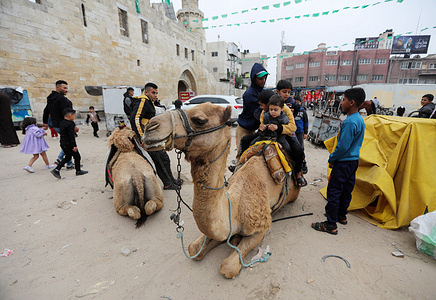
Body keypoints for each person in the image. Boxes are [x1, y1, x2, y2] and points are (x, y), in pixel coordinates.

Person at [311, 87, 366, 235]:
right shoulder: (359, 120)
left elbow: (343, 147)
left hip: (343, 162)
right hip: (353, 161)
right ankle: (341, 215)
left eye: (343, 100)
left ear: (352, 102)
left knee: (334, 191)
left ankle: (330, 224)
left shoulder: (350, 122)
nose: (341, 103)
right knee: (346, 190)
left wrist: (332, 157)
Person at [130, 82, 182, 190]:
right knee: (160, 159)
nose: (155, 95)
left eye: (156, 93)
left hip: (152, 136)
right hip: (147, 138)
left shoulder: (149, 102)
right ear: (146, 92)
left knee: (164, 159)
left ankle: (171, 180)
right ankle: (168, 183)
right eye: (153, 93)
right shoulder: (143, 101)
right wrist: (142, 138)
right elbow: (135, 119)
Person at [236, 63, 268, 158]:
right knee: (242, 155)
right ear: (254, 78)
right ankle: (237, 170)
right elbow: (258, 113)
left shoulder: (263, 91)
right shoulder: (249, 94)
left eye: (264, 78)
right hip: (244, 129)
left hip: (255, 129)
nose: (263, 81)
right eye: (260, 79)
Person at [42, 80, 74, 169]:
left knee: (67, 142)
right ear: (57, 87)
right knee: (69, 143)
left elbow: (46, 110)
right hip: (63, 125)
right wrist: (72, 125)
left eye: (67, 88)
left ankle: (68, 163)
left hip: (55, 125)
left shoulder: (51, 98)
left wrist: (45, 122)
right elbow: (68, 114)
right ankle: (62, 160)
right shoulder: (62, 99)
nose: (66, 90)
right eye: (64, 88)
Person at [50, 108, 88, 179]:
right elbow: (71, 136)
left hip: (63, 143)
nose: (75, 117)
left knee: (68, 157)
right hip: (69, 144)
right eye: (74, 116)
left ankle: (57, 169)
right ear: (70, 115)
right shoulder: (69, 124)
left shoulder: (62, 122)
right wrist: (74, 146)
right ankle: (77, 171)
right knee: (77, 156)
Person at [294, 96, 309, 174]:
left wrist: (305, 133)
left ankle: (303, 163)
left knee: (301, 148)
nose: (296, 103)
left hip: (300, 132)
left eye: (298, 102)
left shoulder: (303, 111)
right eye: (295, 101)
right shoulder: (291, 110)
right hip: (292, 132)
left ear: (300, 102)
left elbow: (306, 122)